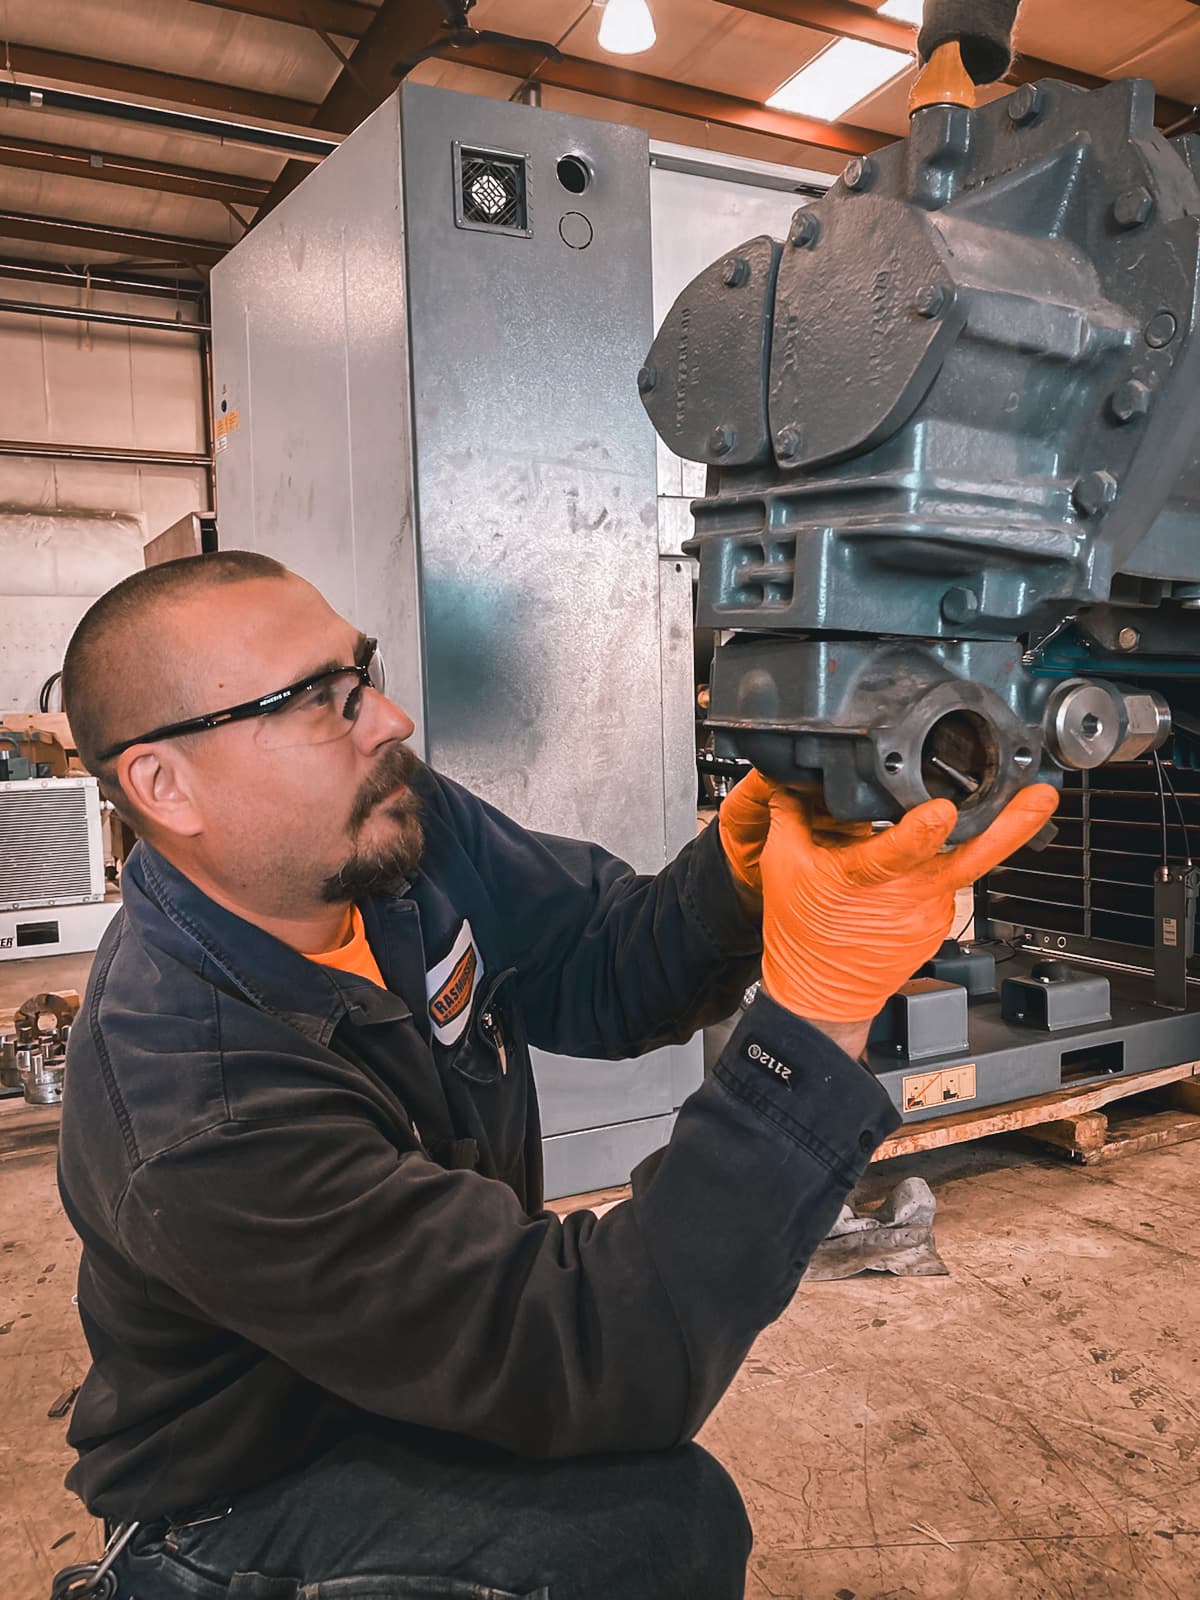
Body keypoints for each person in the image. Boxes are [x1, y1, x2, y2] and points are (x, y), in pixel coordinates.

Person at [55, 551, 1057, 1600]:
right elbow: (587, 1352)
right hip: (254, 1490)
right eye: (320, 701)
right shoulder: (194, 1103)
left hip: (410, 1378)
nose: (388, 720)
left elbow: (595, 961)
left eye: (363, 674)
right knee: (651, 1536)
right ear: (165, 785)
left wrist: (738, 877)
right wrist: (813, 1021)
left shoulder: (383, 832)